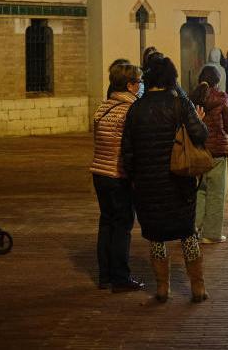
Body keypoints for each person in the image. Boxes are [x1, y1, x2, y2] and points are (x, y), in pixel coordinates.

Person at [121, 54, 211, 303]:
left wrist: (133, 178)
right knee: (187, 234)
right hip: (179, 181)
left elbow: (127, 150)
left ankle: (162, 288)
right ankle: (198, 288)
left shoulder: (136, 109)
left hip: (148, 186)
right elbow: (200, 134)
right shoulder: (180, 104)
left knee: (157, 237)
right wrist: (200, 121)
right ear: (171, 77)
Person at [90, 62, 145, 293]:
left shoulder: (104, 107)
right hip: (118, 174)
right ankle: (120, 277)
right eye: (139, 82)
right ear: (131, 85)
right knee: (122, 225)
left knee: (106, 223)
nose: (141, 86)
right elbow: (132, 146)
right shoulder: (131, 110)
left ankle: (105, 275)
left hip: (99, 173)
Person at [190, 65, 228, 244]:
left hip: (199, 150)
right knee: (217, 191)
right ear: (217, 81)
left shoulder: (193, 97)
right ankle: (211, 233)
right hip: (217, 151)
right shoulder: (221, 98)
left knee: (200, 190)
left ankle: (193, 226)